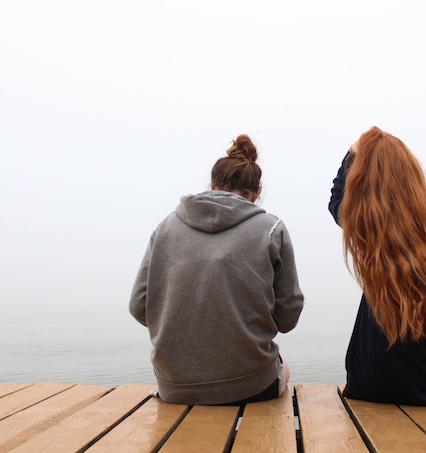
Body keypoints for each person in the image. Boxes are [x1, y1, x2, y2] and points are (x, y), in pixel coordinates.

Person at [130, 134, 304, 405]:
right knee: (284, 368)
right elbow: (288, 318)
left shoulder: (165, 228)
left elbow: (139, 307)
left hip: (174, 388)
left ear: (211, 186)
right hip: (251, 386)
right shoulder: (271, 229)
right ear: (256, 194)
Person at [328, 126, 426, 405]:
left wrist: (350, 157)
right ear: (413, 173)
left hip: (376, 384)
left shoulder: (370, 228)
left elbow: (337, 200)